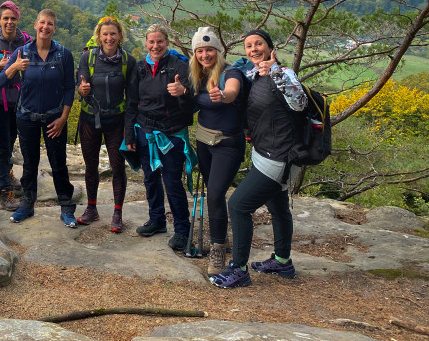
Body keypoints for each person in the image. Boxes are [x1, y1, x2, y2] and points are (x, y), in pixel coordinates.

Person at [210, 28, 307, 289]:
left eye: (259, 44)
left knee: (239, 206)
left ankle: (239, 268)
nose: (253, 49)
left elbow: (299, 103)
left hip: (278, 157)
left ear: (270, 47)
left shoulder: (282, 73)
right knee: (277, 207)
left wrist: (275, 69)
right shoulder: (256, 75)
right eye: (249, 45)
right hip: (268, 153)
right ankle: (282, 261)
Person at [0, 9, 77, 227]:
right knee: (29, 162)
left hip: (54, 118)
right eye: (42, 22)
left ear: (54, 28)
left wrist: (63, 118)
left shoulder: (63, 54)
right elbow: (1, 82)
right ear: (34, 25)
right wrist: (13, 66)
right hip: (27, 117)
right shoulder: (23, 52)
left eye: (50, 23)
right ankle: (26, 204)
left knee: (58, 163)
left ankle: (67, 206)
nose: (45, 27)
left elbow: (70, 88)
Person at [124, 24, 195, 251]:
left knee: (173, 182)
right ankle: (157, 220)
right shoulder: (140, 67)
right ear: (146, 42)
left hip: (171, 135)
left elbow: (191, 107)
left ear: (167, 43)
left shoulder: (179, 66)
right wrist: (129, 133)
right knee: (150, 178)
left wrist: (182, 94)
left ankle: (183, 231)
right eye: (151, 42)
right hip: (145, 132)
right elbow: (132, 102)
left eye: (160, 42)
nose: (155, 46)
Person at [188, 27, 246, 275]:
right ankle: (221, 237)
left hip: (227, 144)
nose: (204, 54)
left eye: (209, 49)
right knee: (213, 194)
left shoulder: (230, 72)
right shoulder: (197, 76)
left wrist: (222, 95)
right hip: (204, 142)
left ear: (218, 51)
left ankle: (218, 248)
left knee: (214, 194)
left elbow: (232, 92)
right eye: (199, 50)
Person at [76, 17, 136, 232]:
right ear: (98, 36)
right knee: (90, 166)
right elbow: (80, 82)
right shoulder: (87, 57)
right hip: (90, 120)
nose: (109, 38)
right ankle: (92, 209)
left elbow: (132, 99)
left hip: (116, 121)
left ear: (120, 36)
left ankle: (117, 213)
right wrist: (82, 91)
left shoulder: (129, 61)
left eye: (113, 34)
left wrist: (129, 132)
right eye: (105, 34)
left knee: (117, 166)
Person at [0, 0, 33, 212]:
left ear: (17, 19)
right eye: (6, 18)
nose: (9, 22)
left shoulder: (27, 41)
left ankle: (7, 174)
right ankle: (4, 190)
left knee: (12, 141)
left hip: (22, 102)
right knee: (2, 147)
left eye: (13, 18)